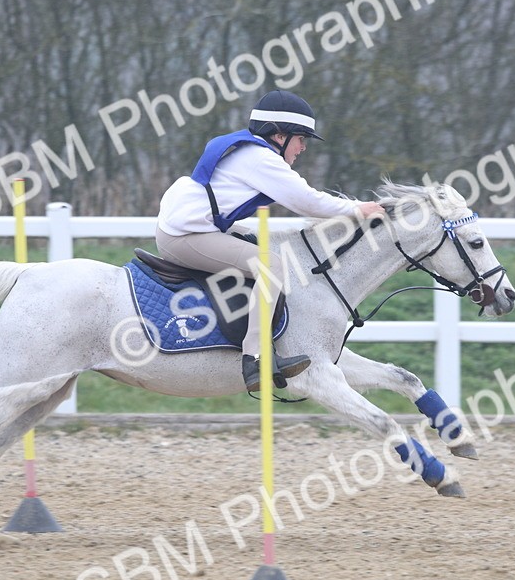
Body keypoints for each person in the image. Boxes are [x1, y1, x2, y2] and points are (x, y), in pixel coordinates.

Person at [155, 90, 385, 392]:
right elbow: (307, 202)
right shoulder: (260, 158)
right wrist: (357, 209)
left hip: (190, 229)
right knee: (272, 266)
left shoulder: (251, 151)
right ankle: (255, 358)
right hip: (184, 237)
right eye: (301, 138)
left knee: (258, 248)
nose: (303, 148)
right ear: (279, 135)